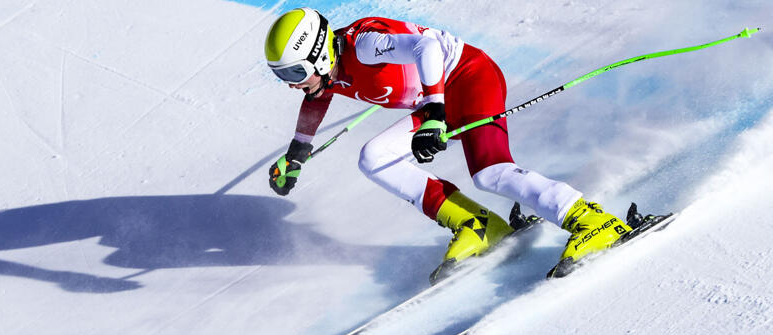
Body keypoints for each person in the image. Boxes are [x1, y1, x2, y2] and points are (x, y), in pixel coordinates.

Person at [264, 7, 632, 279]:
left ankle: (592, 220)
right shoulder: (327, 73)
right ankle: (478, 224)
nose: (291, 82)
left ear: (320, 55)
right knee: (374, 157)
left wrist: (435, 113)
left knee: (490, 173)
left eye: (295, 72)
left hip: (468, 77)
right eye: (282, 74)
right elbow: (317, 98)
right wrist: (298, 152)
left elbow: (428, 48)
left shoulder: (364, 45)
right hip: (434, 100)